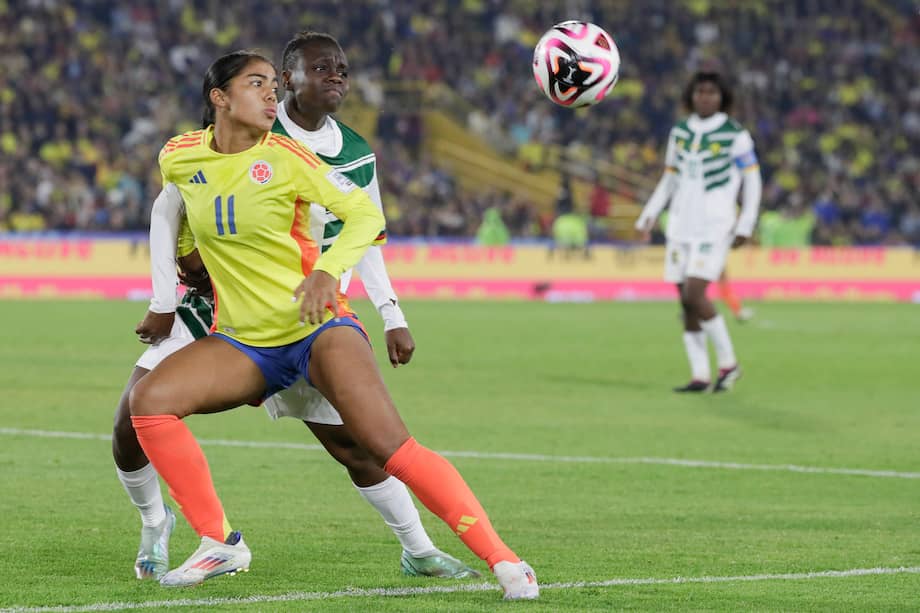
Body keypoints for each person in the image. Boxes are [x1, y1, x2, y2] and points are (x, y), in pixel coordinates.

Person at [128, 49, 538, 599]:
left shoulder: (290, 158)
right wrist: (180, 266)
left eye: (275, 84)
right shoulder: (178, 155)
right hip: (246, 341)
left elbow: (366, 215)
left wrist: (326, 272)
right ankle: (218, 541)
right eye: (258, 84)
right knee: (148, 403)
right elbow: (172, 212)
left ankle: (506, 561)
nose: (273, 93)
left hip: (318, 328)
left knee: (387, 447)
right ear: (219, 98)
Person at [635, 72, 761, 392]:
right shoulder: (680, 131)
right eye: (700, 92)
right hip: (680, 224)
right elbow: (670, 178)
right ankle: (700, 375)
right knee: (685, 302)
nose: (705, 97)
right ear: (691, 96)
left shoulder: (735, 135)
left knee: (695, 293)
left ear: (722, 98)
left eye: (712, 93)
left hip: (715, 224)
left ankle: (729, 363)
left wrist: (746, 222)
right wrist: (650, 213)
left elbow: (752, 180)